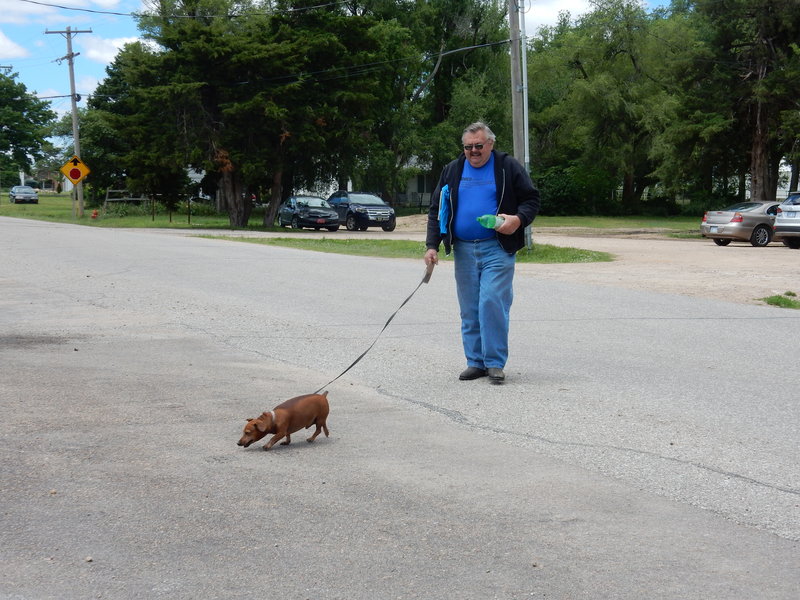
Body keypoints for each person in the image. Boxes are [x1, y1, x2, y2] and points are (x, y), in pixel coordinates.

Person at [424, 121, 540, 384]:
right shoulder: (452, 170)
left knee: (491, 301)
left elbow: (531, 199)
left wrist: (518, 220)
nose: (473, 151)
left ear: (490, 144)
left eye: (478, 146)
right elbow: (437, 209)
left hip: (497, 247)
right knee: (469, 308)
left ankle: (495, 362)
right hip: (464, 249)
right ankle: (475, 362)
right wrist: (432, 245)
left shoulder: (507, 167)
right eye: (468, 147)